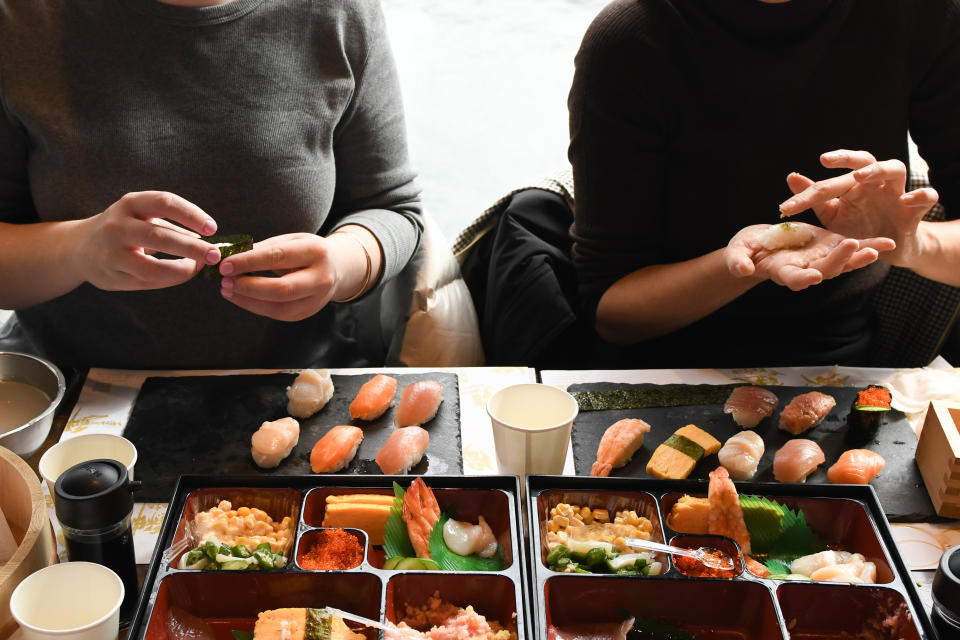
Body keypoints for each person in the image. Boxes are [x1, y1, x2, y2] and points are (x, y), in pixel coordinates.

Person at [0, 0, 422, 369]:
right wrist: (77, 249)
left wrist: (343, 263)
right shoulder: (21, 20)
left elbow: (394, 207)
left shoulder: (338, 12)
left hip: (292, 388)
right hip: (64, 394)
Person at [569, 0, 960, 368]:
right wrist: (742, 265)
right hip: (659, 373)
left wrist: (913, 243)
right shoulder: (632, 39)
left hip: (845, 363)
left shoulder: (920, 13)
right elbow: (612, 312)